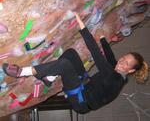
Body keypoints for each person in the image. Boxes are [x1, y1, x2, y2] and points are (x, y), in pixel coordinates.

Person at [2, 13, 149, 114]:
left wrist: (81, 25)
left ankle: (22, 72)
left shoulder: (114, 79)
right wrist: (103, 38)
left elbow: (96, 54)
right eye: (124, 58)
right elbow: (110, 57)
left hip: (81, 101)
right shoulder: (118, 69)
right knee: (71, 54)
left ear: (130, 71)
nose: (121, 62)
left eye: (126, 64)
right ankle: (48, 78)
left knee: (65, 65)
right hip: (86, 85)